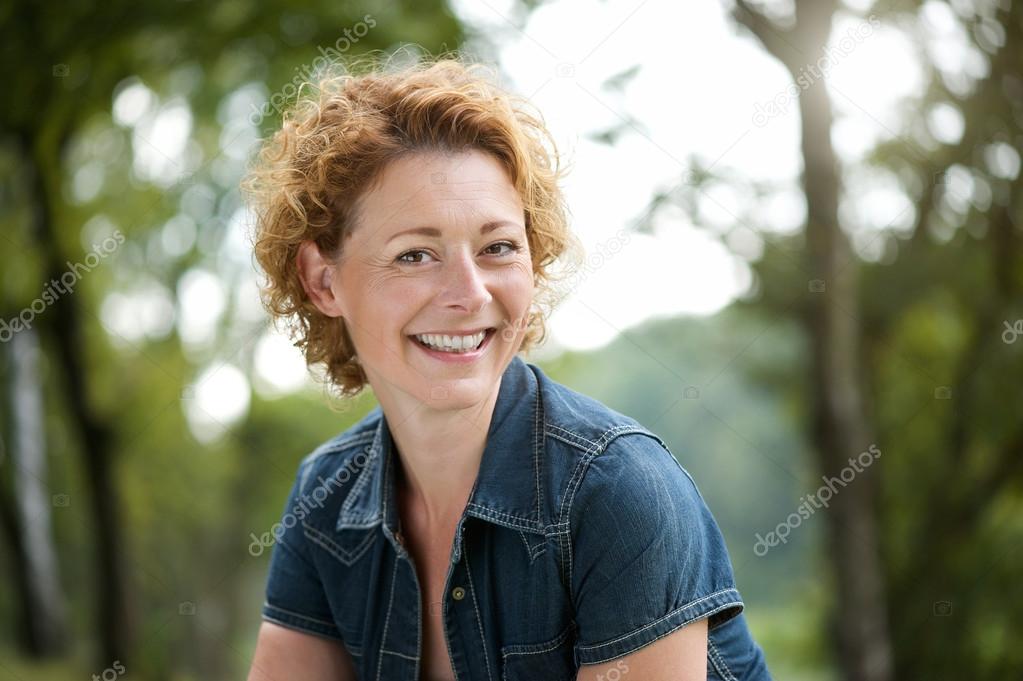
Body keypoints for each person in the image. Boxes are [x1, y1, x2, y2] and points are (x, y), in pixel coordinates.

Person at [241, 54, 772, 681]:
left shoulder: (620, 494)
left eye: (497, 248)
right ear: (322, 279)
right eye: (415, 255)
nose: (469, 292)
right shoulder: (326, 499)